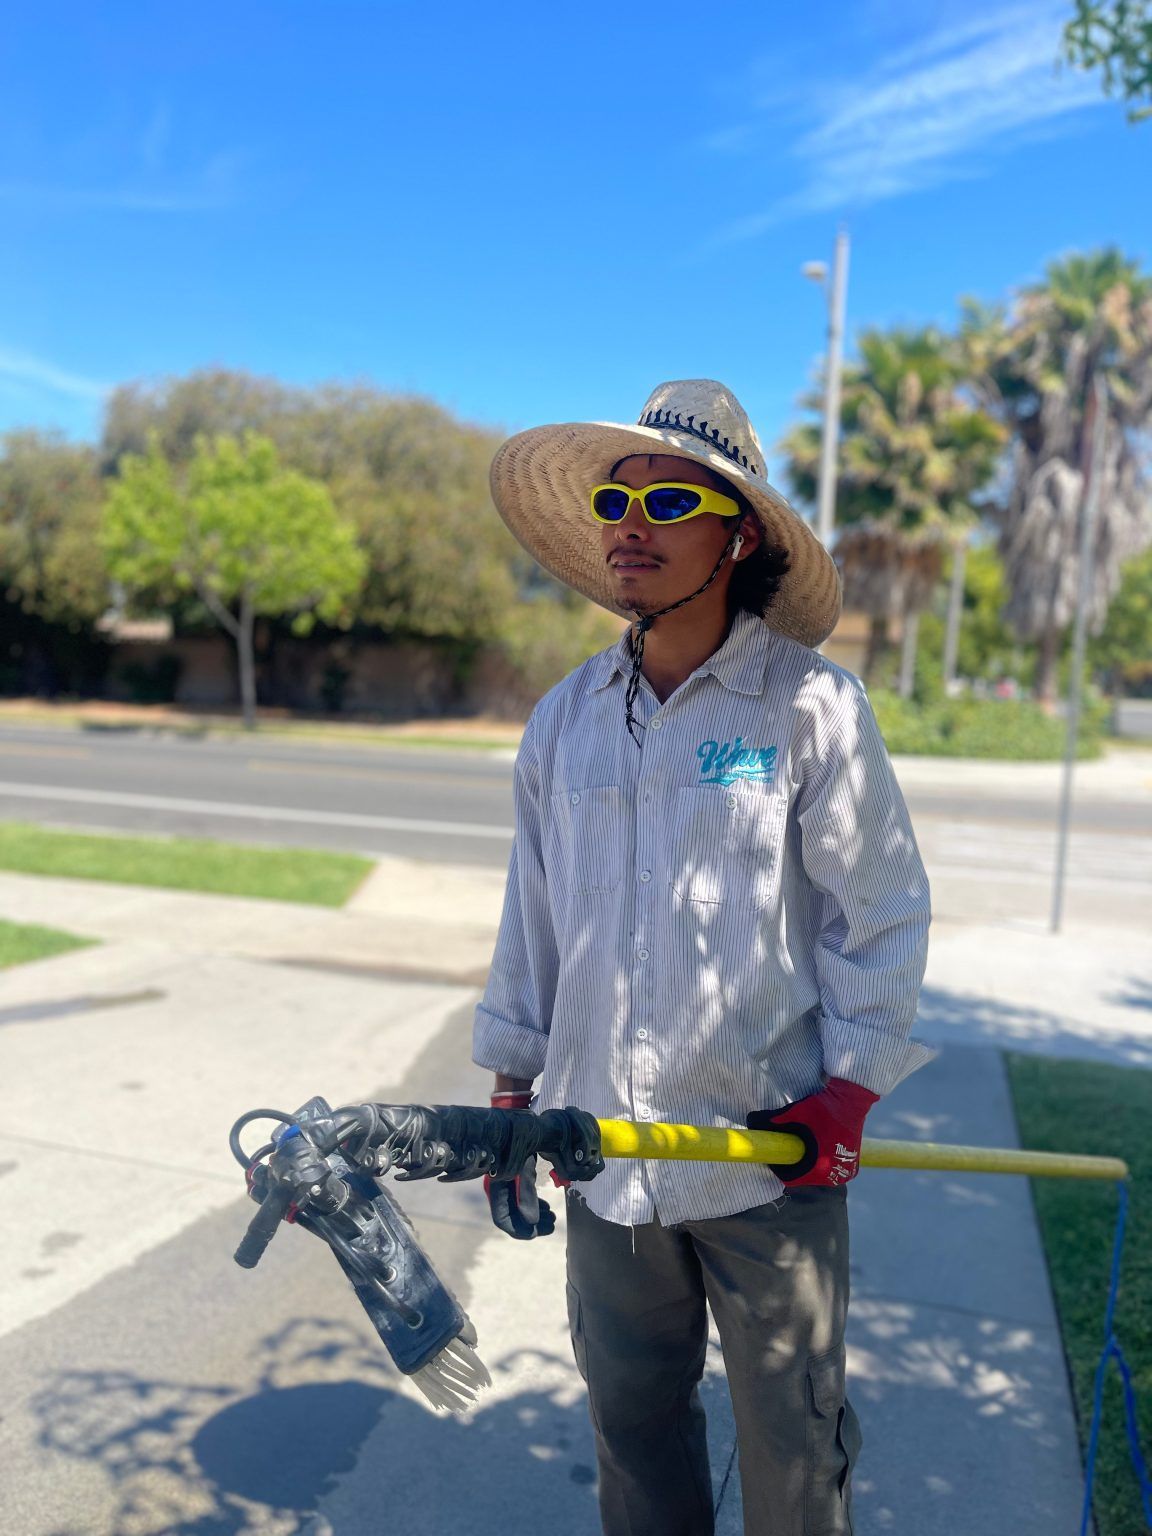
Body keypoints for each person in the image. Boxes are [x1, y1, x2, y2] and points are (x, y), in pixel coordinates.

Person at [473, 379, 933, 1536]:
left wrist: (851, 1090)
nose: (632, 519)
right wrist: (511, 1094)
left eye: (669, 496)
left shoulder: (812, 710)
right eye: (615, 495)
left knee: (794, 1448)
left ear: (736, 534)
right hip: (602, 1156)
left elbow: (878, 910)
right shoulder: (564, 719)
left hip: (766, 1153)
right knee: (631, 1432)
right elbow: (533, 915)